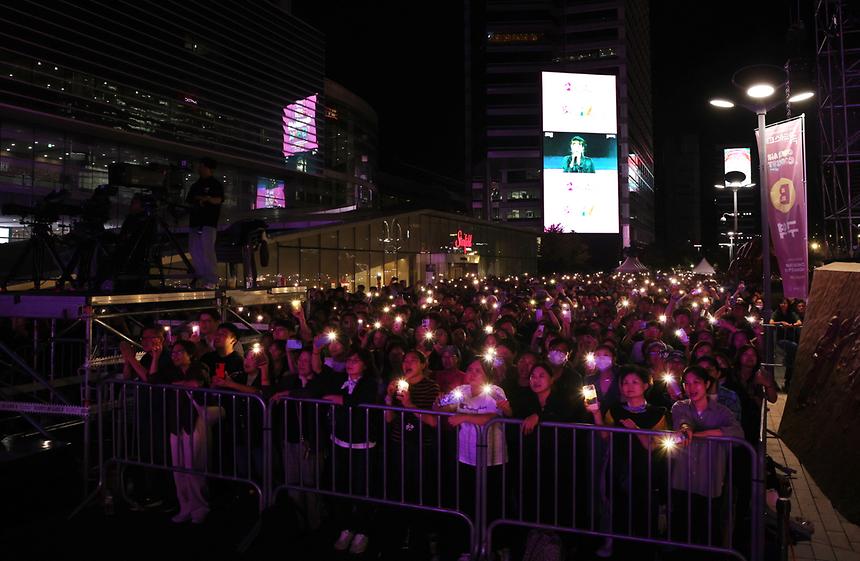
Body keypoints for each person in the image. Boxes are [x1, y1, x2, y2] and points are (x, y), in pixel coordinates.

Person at [669, 366, 744, 551]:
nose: (691, 387)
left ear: (707, 384)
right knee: (681, 527)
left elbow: (738, 433)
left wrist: (701, 434)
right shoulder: (680, 406)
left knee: (708, 530)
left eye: (696, 382)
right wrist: (688, 429)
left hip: (709, 478)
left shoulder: (722, 411)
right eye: (687, 383)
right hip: (683, 478)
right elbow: (683, 422)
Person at [161, 340, 211, 524]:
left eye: (179, 352)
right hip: (175, 422)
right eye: (173, 352)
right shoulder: (169, 370)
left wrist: (178, 384)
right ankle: (185, 506)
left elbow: (196, 383)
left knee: (194, 466)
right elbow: (155, 380)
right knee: (178, 469)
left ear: (190, 354)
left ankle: (200, 506)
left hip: (194, 421)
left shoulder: (199, 367)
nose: (174, 355)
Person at [186, 157, 223, 289]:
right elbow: (189, 200)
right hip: (195, 222)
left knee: (207, 250)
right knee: (195, 250)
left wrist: (206, 199)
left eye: (201, 165)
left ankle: (212, 279)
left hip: (208, 223)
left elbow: (218, 199)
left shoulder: (215, 184)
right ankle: (202, 278)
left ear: (206, 167)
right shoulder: (196, 185)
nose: (199, 168)